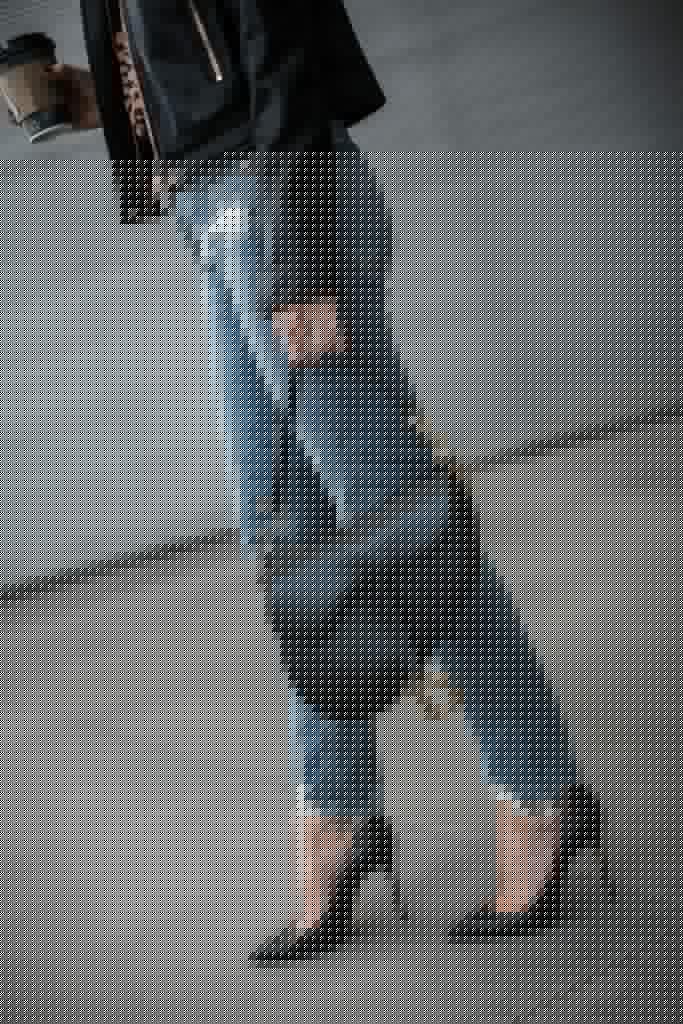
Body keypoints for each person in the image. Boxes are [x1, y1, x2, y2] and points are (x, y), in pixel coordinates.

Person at [47, 3, 611, 962]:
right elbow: (201, 72)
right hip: (209, 211)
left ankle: (540, 795)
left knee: (404, 525)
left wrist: (301, 248)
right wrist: (97, 93)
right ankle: (337, 820)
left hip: (277, 199)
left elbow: (283, 46)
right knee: (286, 542)